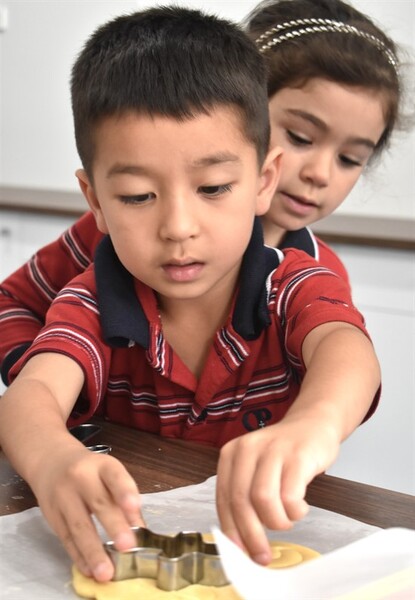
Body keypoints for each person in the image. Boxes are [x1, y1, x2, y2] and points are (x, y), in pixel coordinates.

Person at [0, 5, 380, 582]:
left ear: (263, 181)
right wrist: (52, 457)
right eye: (135, 196)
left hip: (261, 545)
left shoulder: (293, 279)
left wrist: (314, 425)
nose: (178, 226)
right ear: (95, 201)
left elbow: (346, 350)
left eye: (213, 187)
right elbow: (31, 397)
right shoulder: (93, 298)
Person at [0, 0, 406, 387]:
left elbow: (337, 379)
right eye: (300, 137)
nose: (319, 174)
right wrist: (48, 386)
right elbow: (13, 303)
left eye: (350, 159)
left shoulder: (318, 277)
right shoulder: (113, 234)